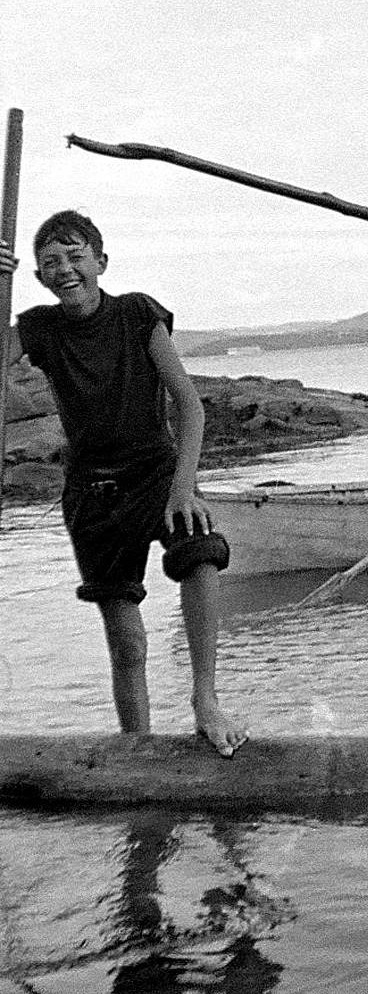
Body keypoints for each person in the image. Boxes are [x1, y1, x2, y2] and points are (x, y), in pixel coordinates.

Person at [0, 212, 246, 755]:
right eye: (50, 263)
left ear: (101, 262)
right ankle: (137, 748)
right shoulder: (39, 326)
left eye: (75, 256)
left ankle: (206, 702)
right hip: (90, 492)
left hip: (156, 475)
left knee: (202, 551)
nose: (64, 269)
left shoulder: (136, 313)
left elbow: (189, 404)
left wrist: (184, 487)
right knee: (127, 641)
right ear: (40, 277)